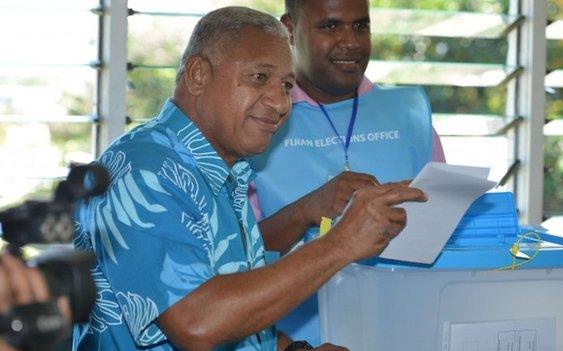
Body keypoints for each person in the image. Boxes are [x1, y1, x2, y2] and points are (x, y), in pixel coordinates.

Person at [72, 6, 426, 351]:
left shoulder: (223, 173)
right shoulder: (144, 171)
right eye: (259, 77)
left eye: (287, 85)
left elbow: (235, 312)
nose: (280, 102)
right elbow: (197, 323)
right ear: (198, 75)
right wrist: (342, 243)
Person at [249, 0, 446, 345]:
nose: (351, 42)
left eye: (360, 26)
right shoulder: (255, 122)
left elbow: (448, 238)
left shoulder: (411, 118)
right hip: (290, 342)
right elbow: (230, 260)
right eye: (330, 26)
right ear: (289, 29)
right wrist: (305, 211)